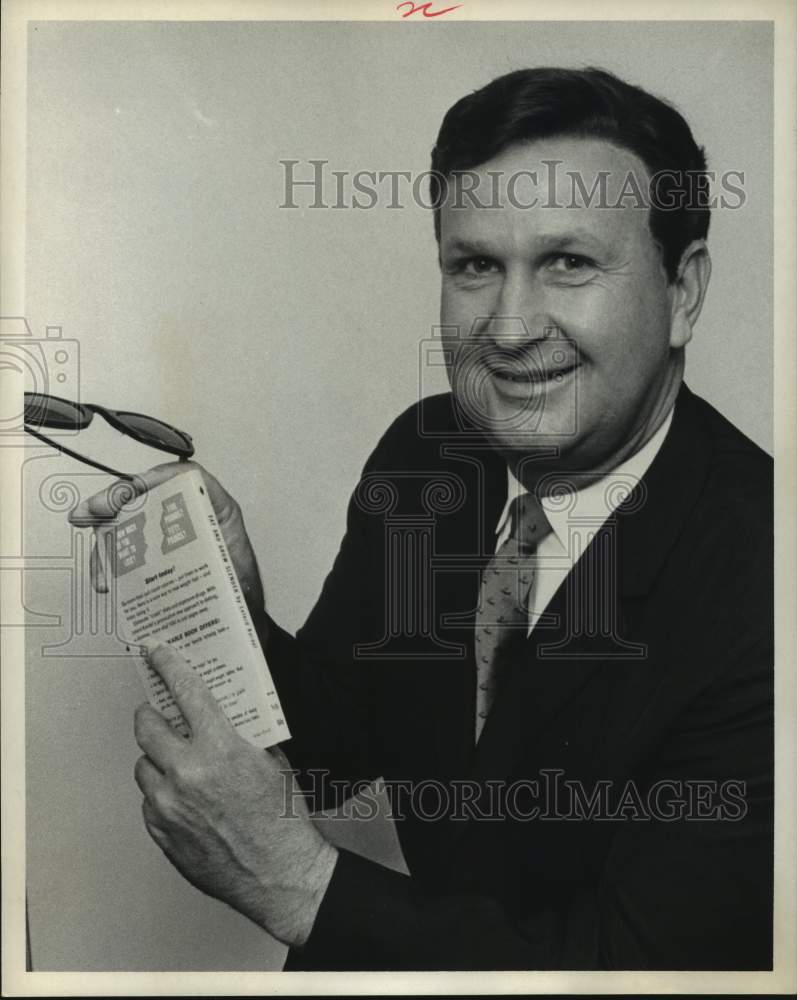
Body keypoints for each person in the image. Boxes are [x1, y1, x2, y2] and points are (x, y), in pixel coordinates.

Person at [74, 67, 773, 970]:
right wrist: (225, 601)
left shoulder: (766, 576)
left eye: (569, 263)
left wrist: (300, 883)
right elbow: (331, 753)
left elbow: (645, 968)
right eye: (476, 266)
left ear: (682, 293)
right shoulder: (427, 454)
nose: (512, 327)